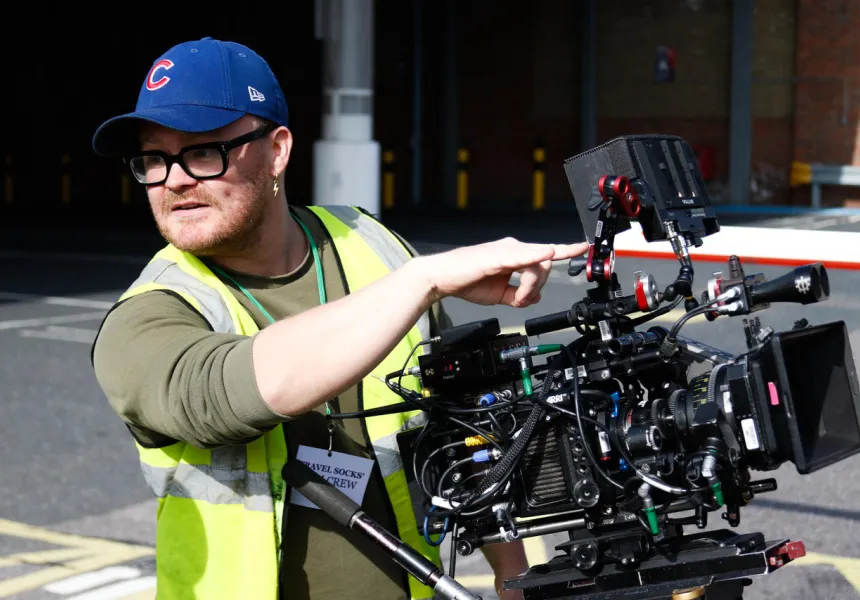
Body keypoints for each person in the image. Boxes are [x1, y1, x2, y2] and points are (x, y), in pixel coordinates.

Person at [90, 37, 588, 600]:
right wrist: (422, 281)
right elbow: (232, 392)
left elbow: (461, 418)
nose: (174, 180)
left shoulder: (371, 243)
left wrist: (511, 572)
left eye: (202, 152)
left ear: (276, 150)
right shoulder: (146, 315)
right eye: (153, 159)